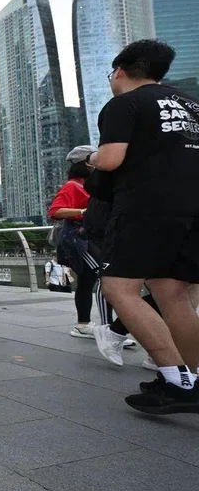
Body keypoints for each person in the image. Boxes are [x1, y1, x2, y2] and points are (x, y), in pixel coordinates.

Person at [87, 40, 199, 414]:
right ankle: (195, 380)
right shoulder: (191, 105)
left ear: (120, 71)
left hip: (146, 208)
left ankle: (176, 379)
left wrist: (91, 157)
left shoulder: (125, 103)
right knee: (174, 294)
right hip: (193, 209)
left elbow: (110, 158)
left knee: (120, 288)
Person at [49, 159, 97, 339]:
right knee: (104, 276)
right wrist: (84, 211)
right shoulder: (73, 185)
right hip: (79, 239)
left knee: (87, 280)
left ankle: (82, 324)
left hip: (91, 238)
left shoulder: (91, 185)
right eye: (93, 160)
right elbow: (55, 210)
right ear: (86, 164)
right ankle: (112, 330)